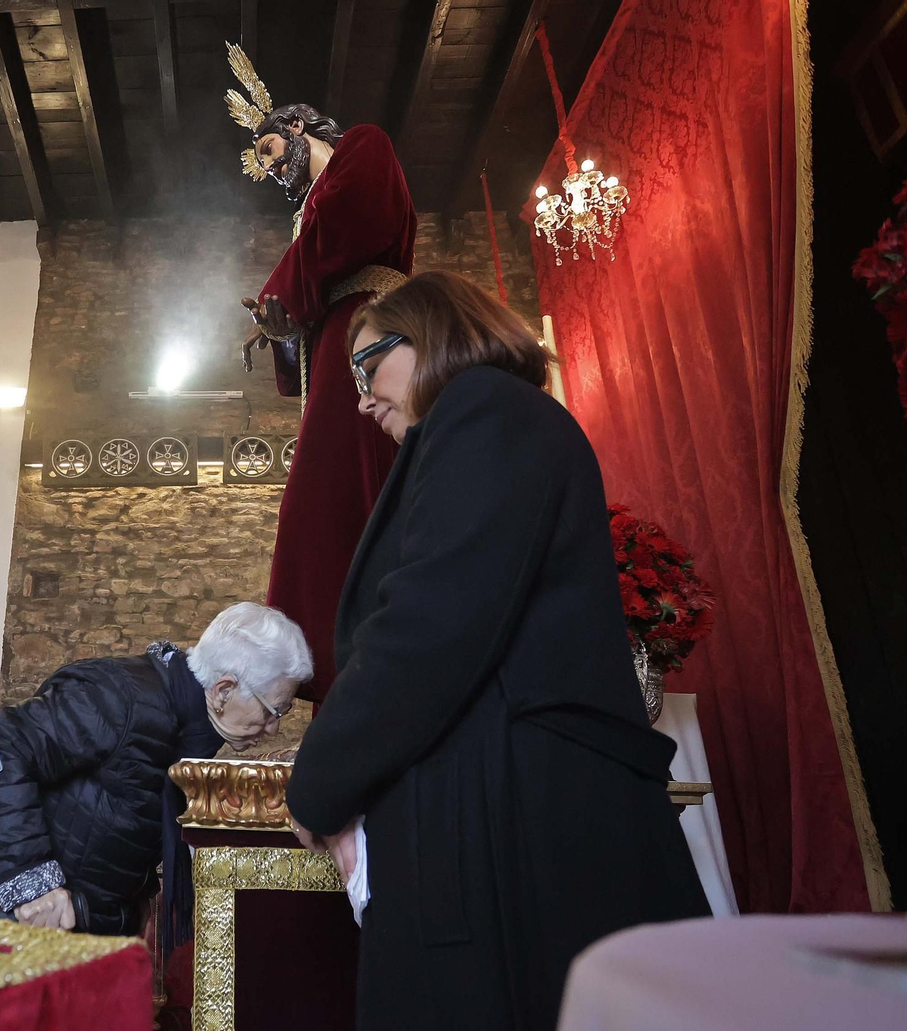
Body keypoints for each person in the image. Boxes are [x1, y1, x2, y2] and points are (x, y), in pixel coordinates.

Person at [285, 271, 710, 1030]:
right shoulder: (492, 425)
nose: (361, 397)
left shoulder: (484, 410)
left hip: (514, 819)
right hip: (494, 803)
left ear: (431, 335)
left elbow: (427, 625)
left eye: (367, 365)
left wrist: (317, 782)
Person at [0, 602, 311, 950]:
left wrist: (132, 912)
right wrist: (33, 884)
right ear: (223, 690)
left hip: (76, 935)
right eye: (274, 710)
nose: (274, 727)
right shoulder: (120, 697)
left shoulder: (190, 728)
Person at [225, 42, 416, 704]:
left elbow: (344, 227)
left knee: (367, 482)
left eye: (273, 153)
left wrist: (284, 289)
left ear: (299, 127)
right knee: (318, 502)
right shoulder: (310, 221)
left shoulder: (362, 151)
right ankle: (338, 661)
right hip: (336, 343)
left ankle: (391, 642)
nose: (274, 172)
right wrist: (281, 329)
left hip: (377, 334)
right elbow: (308, 284)